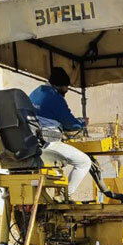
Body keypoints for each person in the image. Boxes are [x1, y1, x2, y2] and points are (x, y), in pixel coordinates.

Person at [29, 67, 92, 197]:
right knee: (84, 162)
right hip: (49, 143)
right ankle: (65, 197)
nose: (67, 90)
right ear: (60, 86)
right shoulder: (54, 97)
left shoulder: (35, 93)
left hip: (32, 142)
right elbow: (69, 123)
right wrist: (82, 123)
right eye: (66, 87)